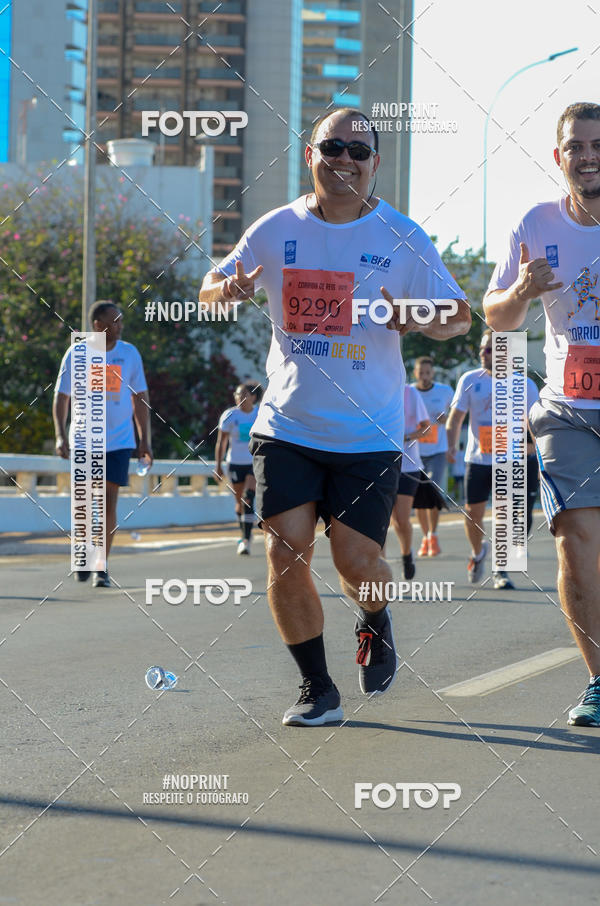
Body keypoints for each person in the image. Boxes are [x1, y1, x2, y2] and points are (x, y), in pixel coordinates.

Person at [199, 106, 470, 726]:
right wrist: (228, 291)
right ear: (310, 154)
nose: (344, 159)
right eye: (332, 147)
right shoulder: (275, 228)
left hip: (368, 434)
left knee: (356, 563)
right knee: (286, 549)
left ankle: (374, 617)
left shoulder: (403, 237)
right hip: (286, 426)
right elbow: (210, 288)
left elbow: (459, 314)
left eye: (358, 150)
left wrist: (419, 317)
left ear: (376, 163)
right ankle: (317, 688)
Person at [483, 102, 600, 726]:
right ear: (559, 157)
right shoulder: (536, 222)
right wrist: (523, 291)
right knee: (577, 543)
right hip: (568, 411)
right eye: (575, 146)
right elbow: (496, 316)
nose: (586, 156)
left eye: (596, 145)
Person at [53, 301, 152, 587]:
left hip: (120, 441)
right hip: (84, 438)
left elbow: (140, 399)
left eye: (121, 321)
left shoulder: (130, 354)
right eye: (115, 321)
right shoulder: (77, 353)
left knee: (107, 502)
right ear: (98, 325)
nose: (120, 327)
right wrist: (60, 434)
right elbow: (61, 398)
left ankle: (101, 566)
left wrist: (145, 440)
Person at [446, 328, 539, 589]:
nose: (483, 354)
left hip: (512, 460)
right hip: (478, 459)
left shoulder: (525, 384)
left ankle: (501, 569)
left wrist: (534, 447)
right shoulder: (469, 379)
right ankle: (478, 553)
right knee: (472, 514)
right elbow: (455, 418)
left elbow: (535, 424)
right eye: (482, 348)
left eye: (489, 349)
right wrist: (451, 445)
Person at [410, 356, 454, 557]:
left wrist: (445, 419)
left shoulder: (444, 391)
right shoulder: (409, 392)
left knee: (433, 491)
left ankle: (433, 535)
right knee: (420, 496)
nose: (424, 376)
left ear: (433, 373)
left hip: (437, 450)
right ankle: (425, 536)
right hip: (416, 451)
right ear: (415, 373)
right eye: (421, 373)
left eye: (428, 373)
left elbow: (455, 417)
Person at [389, 384, 430, 580]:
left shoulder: (410, 392)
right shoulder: (373, 387)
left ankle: (406, 555)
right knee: (380, 520)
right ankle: (377, 565)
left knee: (401, 519)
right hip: (381, 464)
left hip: (408, 466)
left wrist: (404, 437)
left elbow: (426, 428)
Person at [215, 383, 259, 555]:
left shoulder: (259, 414)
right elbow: (221, 443)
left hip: (254, 463)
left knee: (248, 498)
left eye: (245, 395)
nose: (240, 398)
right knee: (239, 502)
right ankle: (244, 533)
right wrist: (218, 466)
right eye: (238, 395)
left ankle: (246, 541)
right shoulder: (230, 415)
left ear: (253, 397)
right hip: (234, 463)